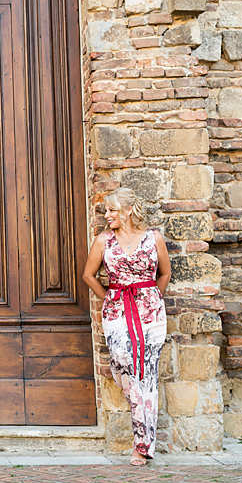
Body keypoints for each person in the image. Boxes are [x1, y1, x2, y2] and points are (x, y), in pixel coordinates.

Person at [81, 187, 170, 466]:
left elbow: (165, 273)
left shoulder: (153, 238)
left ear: (129, 210)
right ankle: (141, 429)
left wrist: (153, 298)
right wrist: (109, 297)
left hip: (149, 313)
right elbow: (88, 275)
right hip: (118, 310)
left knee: (148, 373)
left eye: (112, 210)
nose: (107, 215)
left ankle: (142, 445)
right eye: (106, 211)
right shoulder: (104, 241)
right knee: (123, 367)